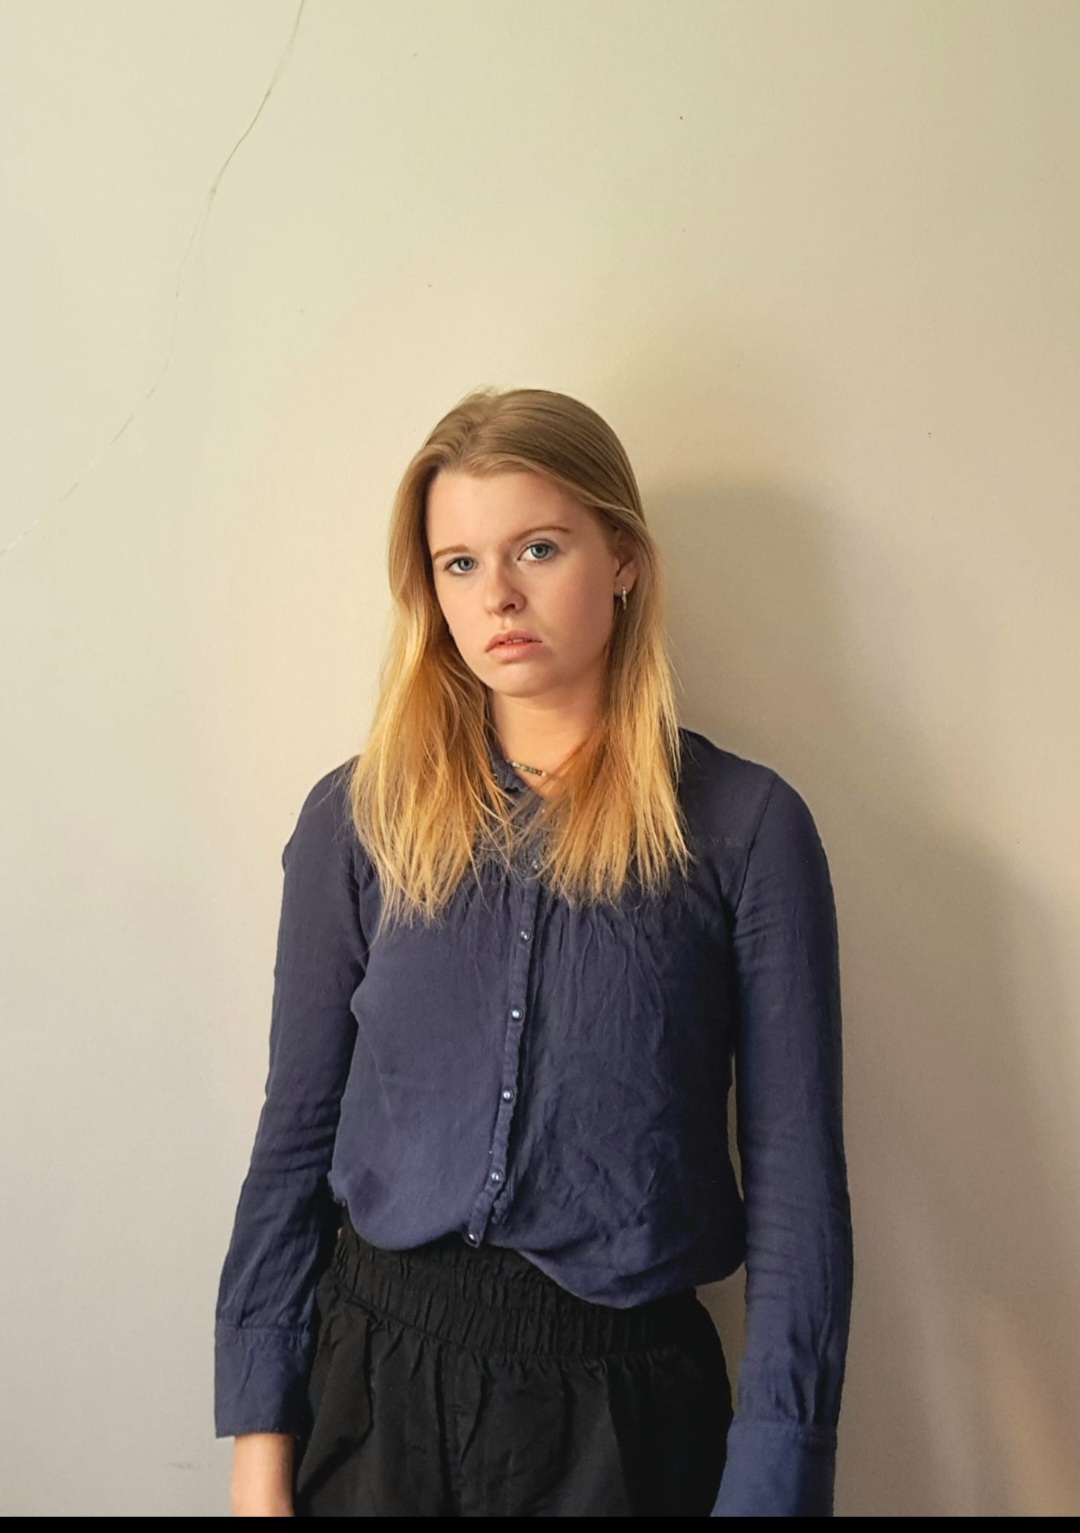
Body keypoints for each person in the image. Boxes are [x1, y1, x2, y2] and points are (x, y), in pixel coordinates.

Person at [214, 387, 853, 1517]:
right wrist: (260, 1451)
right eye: (458, 564)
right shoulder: (359, 821)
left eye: (539, 548)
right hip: (373, 1400)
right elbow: (294, 1136)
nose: (497, 595)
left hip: (625, 1422)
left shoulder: (746, 830)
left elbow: (796, 1192)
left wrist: (773, 1481)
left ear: (624, 559)